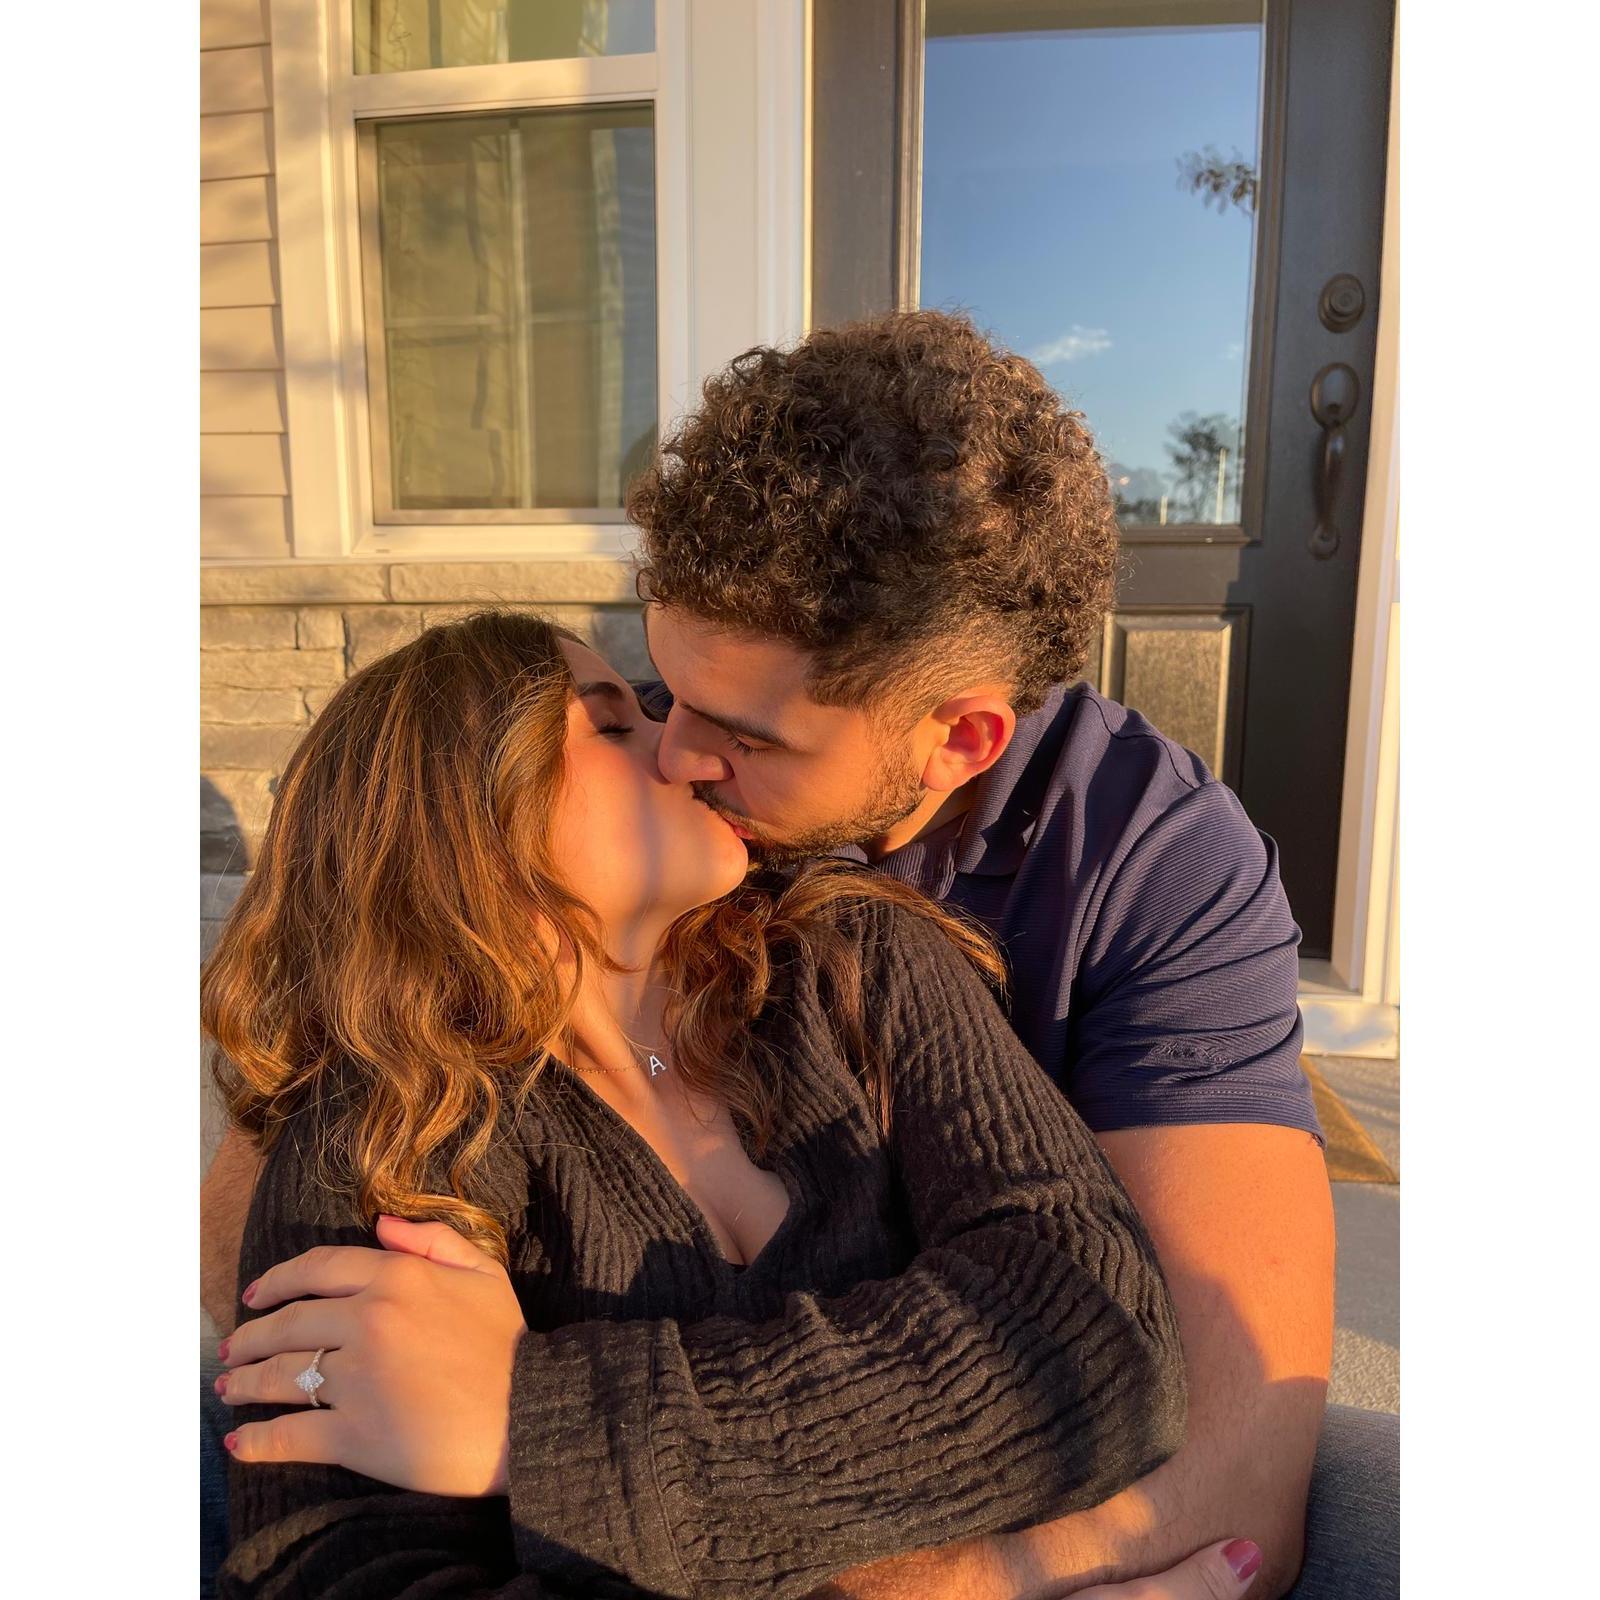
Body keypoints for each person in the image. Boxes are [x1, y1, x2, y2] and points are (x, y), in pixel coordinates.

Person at [204, 309, 1397, 1597]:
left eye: (742, 735)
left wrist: (534, 1421)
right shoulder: (583, 912)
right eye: (647, 695)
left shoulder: (1021, 901)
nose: (677, 750)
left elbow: (1146, 1381)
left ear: (958, 741)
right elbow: (289, 1317)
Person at [201, 611, 1198, 1598]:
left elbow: (1101, 1340)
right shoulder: (382, 1136)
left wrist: (540, 1425)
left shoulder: (858, 962)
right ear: (462, 818)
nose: (684, 753)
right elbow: (333, 1574)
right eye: (613, 723)